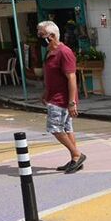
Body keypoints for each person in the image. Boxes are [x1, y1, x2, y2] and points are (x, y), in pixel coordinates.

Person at [38, 20, 85, 173]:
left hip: (61, 99)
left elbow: (71, 78)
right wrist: (46, 92)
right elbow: (51, 76)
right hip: (53, 96)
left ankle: (77, 154)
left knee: (55, 128)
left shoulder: (64, 52)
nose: (39, 37)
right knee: (66, 128)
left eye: (41, 35)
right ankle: (75, 159)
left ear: (51, 36)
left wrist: (72, 103)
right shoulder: (50, 52)